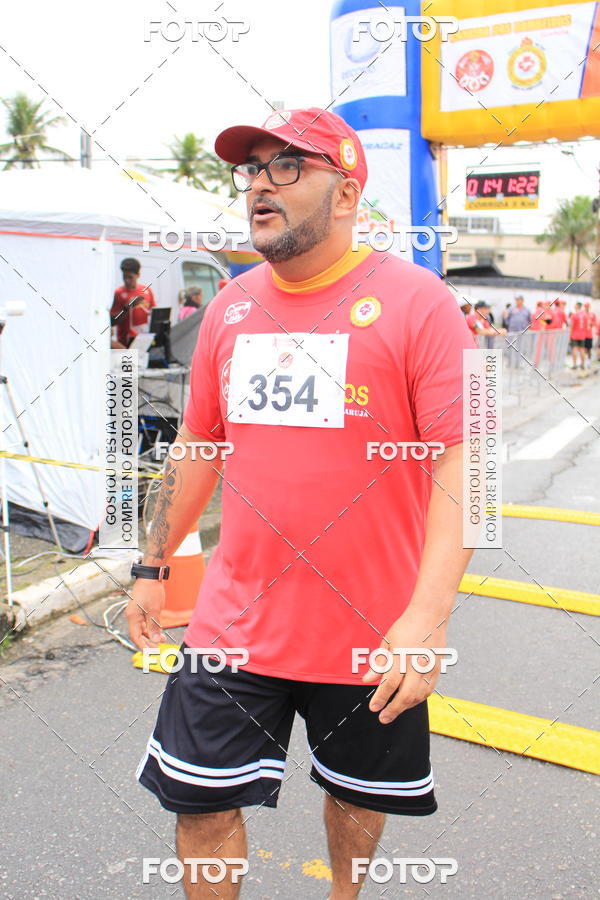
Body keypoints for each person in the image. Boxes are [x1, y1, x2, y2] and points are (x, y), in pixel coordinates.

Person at [128, 107, 475, 899]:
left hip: (371, 628)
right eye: (253, 169)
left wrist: (429, 618)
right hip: (235, 620)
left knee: (355, 799)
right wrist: (151, 561)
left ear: (347, 194)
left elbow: (470, 463)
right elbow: (199, 447)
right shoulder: (232, 306)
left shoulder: (421, 304)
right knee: (197, 801)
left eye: (288, 167)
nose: (259, 185)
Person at [110, 258, 156, 348]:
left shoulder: (147, 290)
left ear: (138, 275)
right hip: (125, 343)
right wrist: (127, 308)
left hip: (144, 340)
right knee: (131, 361)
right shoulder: (118, 293)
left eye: (130, 277)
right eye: (124, 277)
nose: (127, 280)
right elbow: (112, 321)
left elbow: (153, 313)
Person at [569, 301, 588, 369]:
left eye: (575, 305)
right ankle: (582, 364)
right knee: (582, 350)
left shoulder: (574, 315)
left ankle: (574, 364)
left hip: (575, 335)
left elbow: (571, 326)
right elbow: (586, 325)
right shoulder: (584, 315)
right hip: (582, 335)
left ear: (577, 306)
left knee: (575, 349)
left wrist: (570, 335)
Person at [583, 301, 597, 366]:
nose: (586, 308)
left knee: (588, 349)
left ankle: (588, 361)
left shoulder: (592, 314)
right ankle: (582, 361)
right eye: (585, 306)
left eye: (587, 306)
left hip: (589, 335)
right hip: (582, 334)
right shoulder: (582, 314)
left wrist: (590, 323)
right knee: (582, 349)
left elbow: (595, 324)